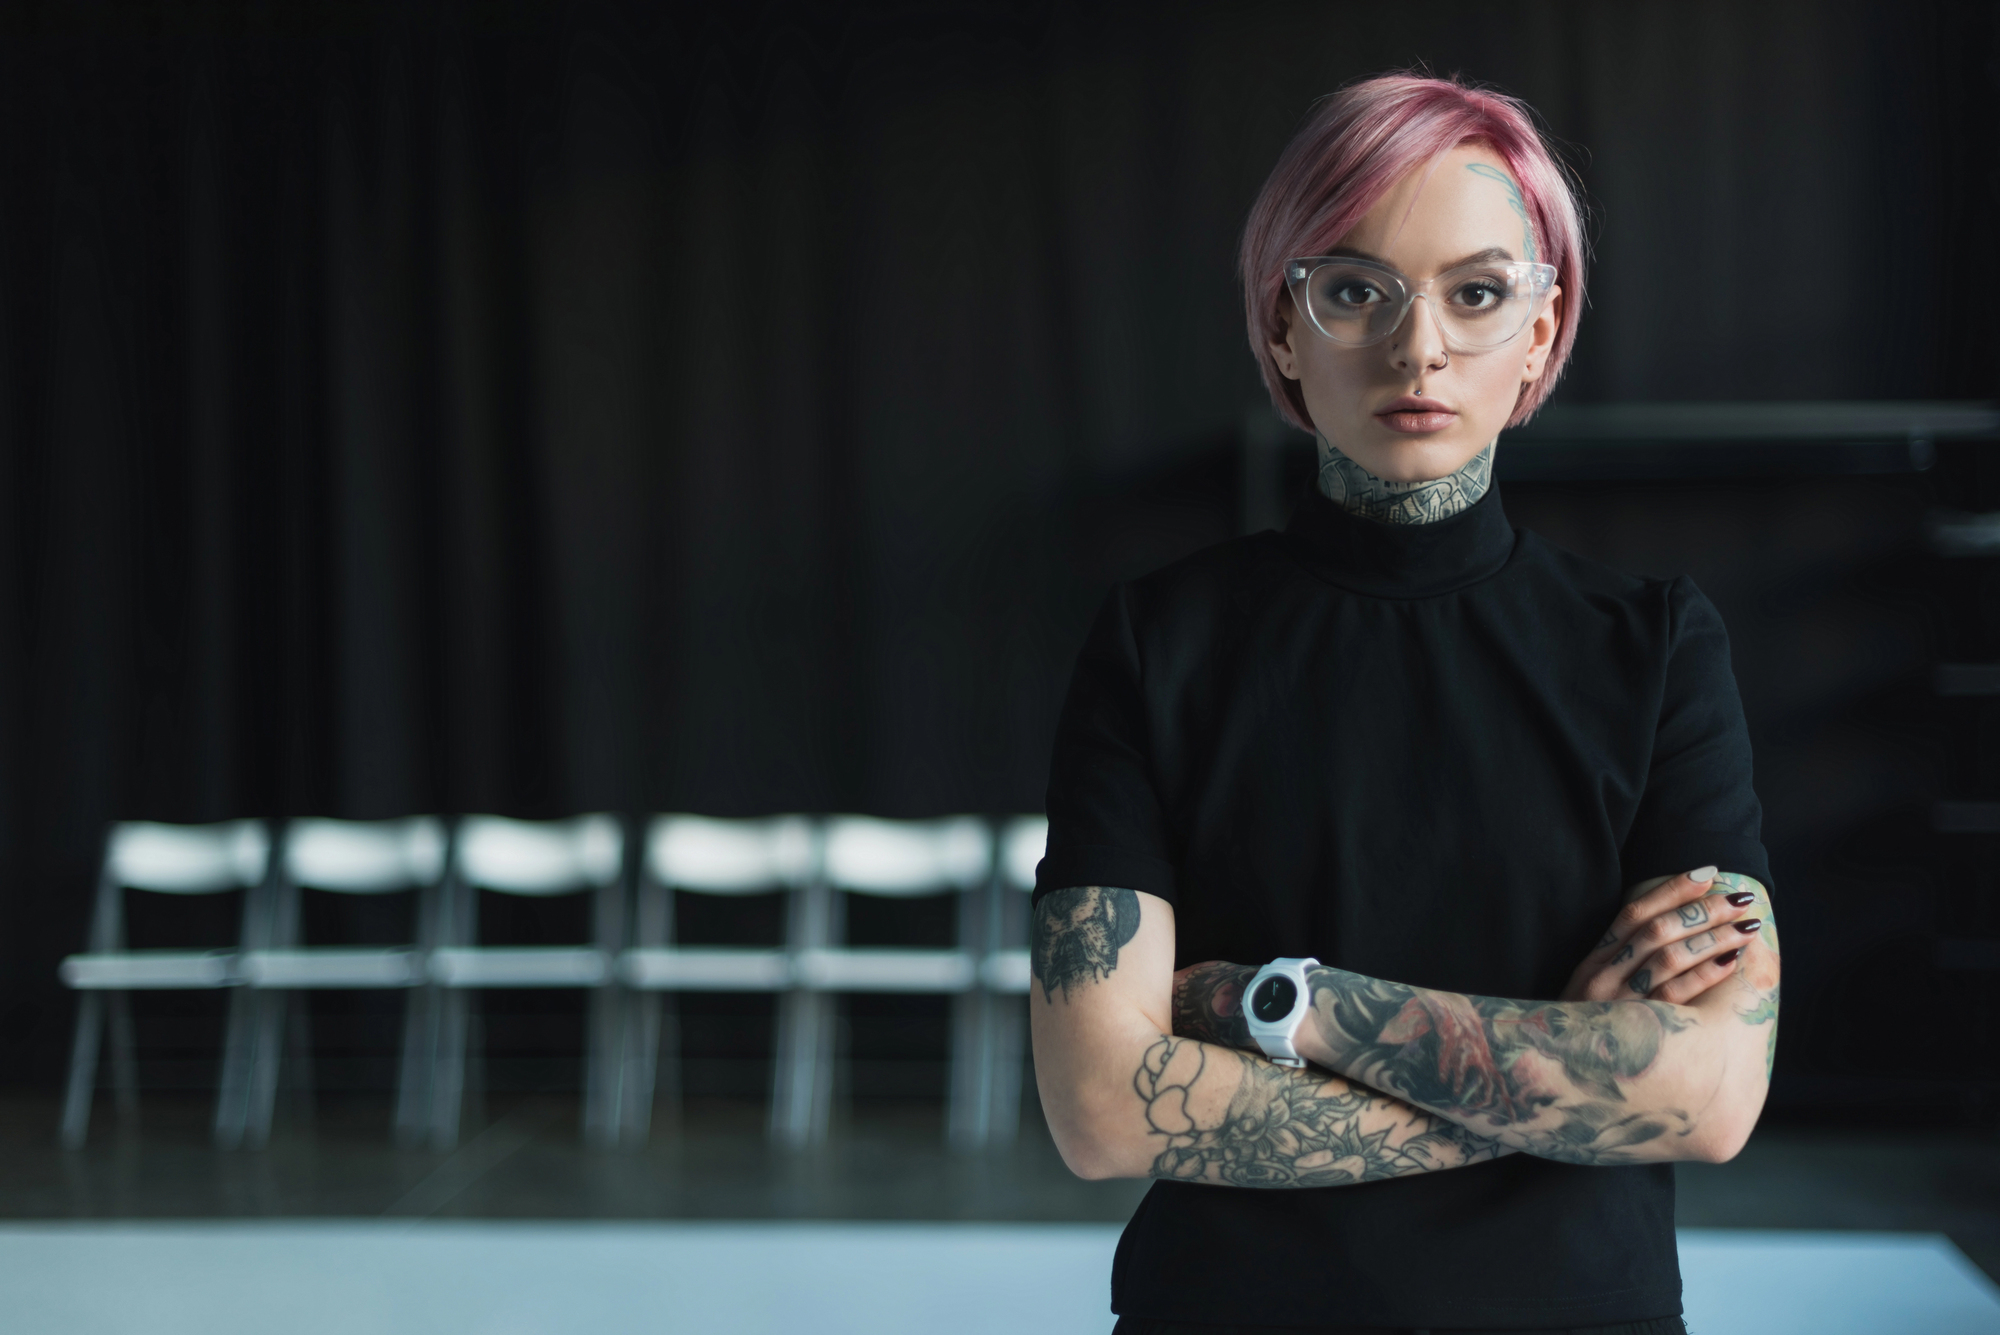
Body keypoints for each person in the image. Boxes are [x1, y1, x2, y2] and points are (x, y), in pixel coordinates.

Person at [1028, 72, 1781, 1335]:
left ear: (1540, 333)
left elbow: (1709, 1098)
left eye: (1476, 293)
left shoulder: (1654, 646)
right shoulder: (1157, 641)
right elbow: (1101, 1112)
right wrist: (1559, 1081)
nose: (1416, 346)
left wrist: (1280, 1006)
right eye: (1354, 292)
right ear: (1283, 328)